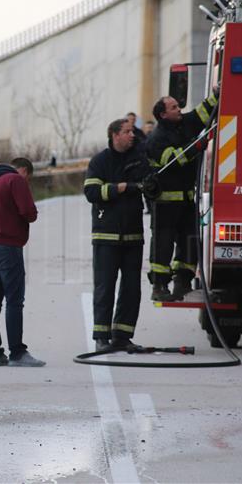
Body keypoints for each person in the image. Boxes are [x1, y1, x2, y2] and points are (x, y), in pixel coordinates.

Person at [84, 119, 150, 352]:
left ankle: (122, 336)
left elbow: (150, 184)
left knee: (132, 290)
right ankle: (101, 337)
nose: (132, 135)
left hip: (133, 236)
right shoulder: (100, 161)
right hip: (107, 237)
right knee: (105, 288)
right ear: (114, 135)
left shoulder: (139, 159)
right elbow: (91, 192)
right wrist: (120, 188)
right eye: (127, 131)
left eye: (133, 131)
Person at [146, 91, 218, 301]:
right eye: (174, 108)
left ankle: (182, 282)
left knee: (190, 241)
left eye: (178, 106)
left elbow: (202, 114)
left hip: (186, 201)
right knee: (163, 245)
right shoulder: (156, 139)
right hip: (165, 204)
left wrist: (216, 95)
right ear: (163, 115)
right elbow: (175, 160)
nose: (180, 110)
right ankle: (159, 287)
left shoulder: (184, 123)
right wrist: (197, 145)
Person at [0, 157, 46, 367]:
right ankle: (17, 353)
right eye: (28, 178)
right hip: (7, 245)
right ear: (23, 170)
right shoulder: (15, 180)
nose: (27, 182)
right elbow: (29, 213)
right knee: (14, 300)